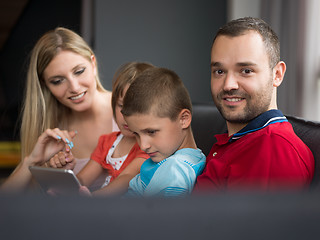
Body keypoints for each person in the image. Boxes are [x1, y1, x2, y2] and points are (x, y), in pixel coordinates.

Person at [194, 17, 314, 192]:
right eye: (219, 71)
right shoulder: (241, 139)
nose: (228, 85)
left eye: (246, 71)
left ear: (277, 74)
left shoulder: (273, 149)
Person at [1, 27, 115, 192]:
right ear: (45, 84)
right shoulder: (51, 133)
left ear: (93, 63)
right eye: (58, 81)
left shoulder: (129, 109)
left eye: (79, 71)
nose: (74, 88)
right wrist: (32, 161)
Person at [121, 67, 206, 197]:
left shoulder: (175, 169)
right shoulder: (175, 159)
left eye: (151, 132)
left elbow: (152, 216)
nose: (143, 146)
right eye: (136, 134)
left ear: (183, 119)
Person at [75, 62, 153, 196]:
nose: (126, 116)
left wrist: (93, 199)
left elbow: (126, 178)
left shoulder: (148, 146)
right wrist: (66, 189)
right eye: (121, 106)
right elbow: (83, 178)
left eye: (136, 109)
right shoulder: (107, 141)